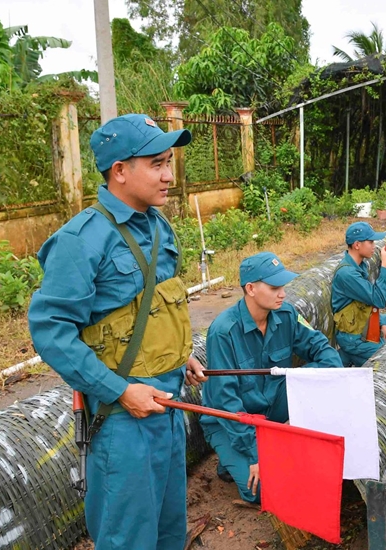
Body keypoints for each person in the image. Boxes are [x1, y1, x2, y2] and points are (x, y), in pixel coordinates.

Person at [27, 114, 208, 550]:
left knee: (168, 530)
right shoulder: (82, 240)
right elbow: (50, 331)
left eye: (169, 162)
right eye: (157, 164)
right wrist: (121, 391)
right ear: (120, 171)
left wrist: (177, 354)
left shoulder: (158, 225)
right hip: (122, 421)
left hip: (167, 407)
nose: (169, 176)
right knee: (128, 538)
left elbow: (151, 308)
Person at [201, 252, 343, 504]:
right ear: (251, 288)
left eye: (283, 287)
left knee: (321, 377)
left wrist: (315, 383)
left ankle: (272, 443)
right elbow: (226, 402)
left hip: (272, 406)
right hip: (231, 419)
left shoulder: (286, 315)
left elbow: (323, 350)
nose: (283, 294)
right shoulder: (223, 332)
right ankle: (233, 458)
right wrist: (256, 455)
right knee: (265, 490)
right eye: (275, 287)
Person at [331, 222, 386, 366]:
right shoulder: (347, 273)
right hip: (354, 338)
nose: (374, 245)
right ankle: (351, 354)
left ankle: (352, 356)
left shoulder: (360, 265)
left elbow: (368, 302)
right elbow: (378, 300)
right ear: (357, 245)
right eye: (370, 241)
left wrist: (381, 324)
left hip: (365, 322)